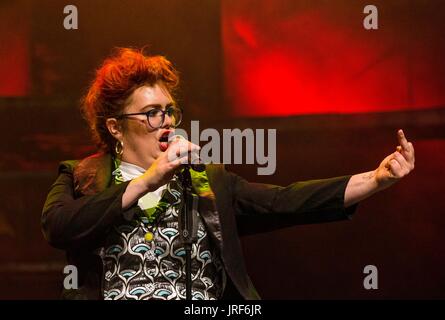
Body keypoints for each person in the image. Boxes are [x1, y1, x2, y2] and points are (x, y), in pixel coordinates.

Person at [41, 48, 415, 300]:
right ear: (115, 128)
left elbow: (285, 201)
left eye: (170, 111)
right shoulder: (82, 176)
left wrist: (376, 179)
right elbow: (59, 227)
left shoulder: (206, 181)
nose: (167, 122)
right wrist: (145, 181)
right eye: (153, 112)